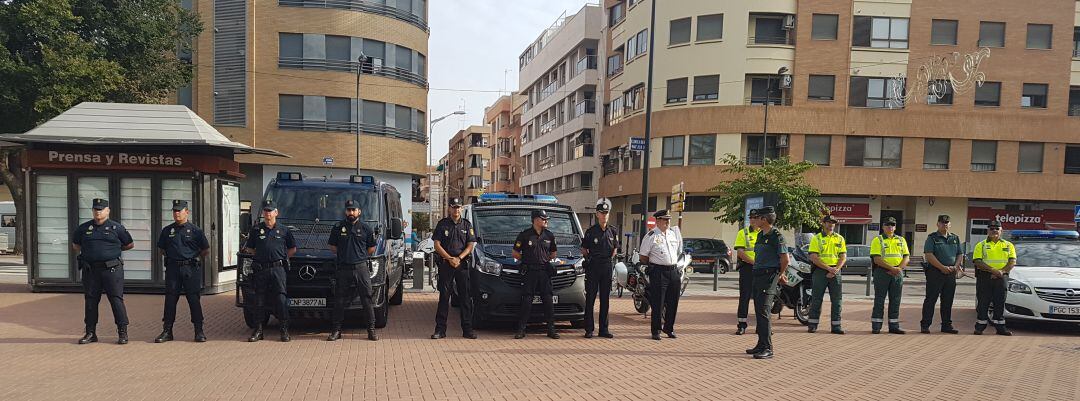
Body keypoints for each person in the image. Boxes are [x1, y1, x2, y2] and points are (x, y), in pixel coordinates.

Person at [74, 198, 135, 345]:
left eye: (101, 209)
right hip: (91, 271)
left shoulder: (116, 228)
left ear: (108, 211)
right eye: (95, 209)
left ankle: (122, 332)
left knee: (116, 300)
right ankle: (90, 333)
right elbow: (76, 245)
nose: (98, 212)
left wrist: (111, 252)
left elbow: (129, 244)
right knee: (91, 302)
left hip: (111, 270)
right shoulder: (84, 228)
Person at [154, 200, 211, 343]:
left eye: (179, 211)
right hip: (173, 269)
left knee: (193, 300)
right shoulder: (167, 231)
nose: (176, 213)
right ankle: (167, 331)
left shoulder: (195, 231)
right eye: (174, 211)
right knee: (170, 300)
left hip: (190, 269)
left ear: (187, 212)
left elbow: (205, 250)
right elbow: (161, 249)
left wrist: (192, 258)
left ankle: (199, 331)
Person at [243, 200, 297, 342]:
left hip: (278, 269)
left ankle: (284, 331)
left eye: (270, 210)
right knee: (259, 300)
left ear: (276, 213)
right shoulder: (256, 230)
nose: (268, 213)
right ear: (263, 213)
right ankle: (258, 331)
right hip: (261, 269)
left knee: (281, 299)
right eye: (266, 210)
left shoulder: (284, 230)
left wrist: (280, 258)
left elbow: (292, 249)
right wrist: (262, 256)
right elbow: (250, 248)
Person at [326, 199, 379, 341]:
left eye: (353, 210)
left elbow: (371, 248)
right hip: (343, 268)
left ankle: (371, 330)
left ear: (359, 212)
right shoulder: (338, 227)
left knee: (366, 299)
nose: (351, 212)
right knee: (339, 300)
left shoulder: (366, 228)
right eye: (349, 210)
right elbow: (332, 246)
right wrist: (345, 254)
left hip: (360, 268)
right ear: (345, 211)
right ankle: (336, 331)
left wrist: (359, 256)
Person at [431, 197, 477, 340]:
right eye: (454, 207)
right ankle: (440, 330)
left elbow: (470, 245)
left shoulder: (467, 225)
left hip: (461, 265)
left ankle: (467, 330)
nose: (456, 210)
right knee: (444, 297)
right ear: (449, 208)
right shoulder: (442, 224)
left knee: (464, 297)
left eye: (458, 207)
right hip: (446, 264)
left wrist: (459, 258)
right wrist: (450, 258)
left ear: (461, 208)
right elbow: (437, 245)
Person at [746, 206, 787, 359]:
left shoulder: (777, 236)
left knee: (764, 311)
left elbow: (785, 259)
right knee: (758, 311)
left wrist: (779, 274)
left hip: (768, 277)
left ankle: (768, 348)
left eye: (757, 218)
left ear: (764, 219)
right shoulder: (761, 235)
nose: (755, 220)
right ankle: (761, 344)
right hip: (758, 276)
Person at [512, 209, 560, 339]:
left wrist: (544, 259)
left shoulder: (549, 236)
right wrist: (527, 259)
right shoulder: (525, 235)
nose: (545, 221)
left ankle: (551, 330)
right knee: (527, 301)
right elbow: (515, 253)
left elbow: (553, 253)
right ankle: (521, 330)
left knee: (548, 301)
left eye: (546, 219)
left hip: (544, 271)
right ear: (535, 220)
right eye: (543, 219)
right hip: (530, 272)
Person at [638, 209, 683, 341]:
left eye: (669, 219)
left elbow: (677, 251)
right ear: (657, 221)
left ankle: (669, 328)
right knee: (658, 302)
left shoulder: (672, 234)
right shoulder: (651, 236)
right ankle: (656, 330)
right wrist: (655, 265)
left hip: (674, 271)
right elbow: (643, 256)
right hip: (659, 272)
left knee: (673, 301)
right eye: (665, 219)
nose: (668, 222)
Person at [581, 198, 620, 339]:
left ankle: (604, 329)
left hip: (607, 266)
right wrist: (590, 259)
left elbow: (615, 248)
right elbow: (584, 249)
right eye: (602, 213)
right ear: (597, 214)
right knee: (590, 299)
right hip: (593, 267)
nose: (604, 215)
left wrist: (609, 258)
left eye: (606, 213)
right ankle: (589, 329)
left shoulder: (613, 231)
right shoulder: (591, 232)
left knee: (605, 299)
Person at [921, 214, 964, 334]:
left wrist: (955, 266)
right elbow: (929, 255)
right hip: (935, 272)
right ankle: (925, 325)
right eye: (942, 222)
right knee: (931, 299)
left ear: (949, 224)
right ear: (937, 224)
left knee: (948, 300)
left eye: (946, 222)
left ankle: (946, 325)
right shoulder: (932, 238)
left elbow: (960, 254)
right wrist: (942, 267)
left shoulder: (955, 238)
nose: (944, 224)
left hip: (950, 273)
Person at [972, 220, 1015, 336]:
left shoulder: (1008, 245)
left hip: (1002, 276)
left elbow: (1012, 261)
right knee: (983, 302)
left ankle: (1000, 327)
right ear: (988, 231)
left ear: (1001, 231)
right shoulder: (981, 245)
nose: (994, 231)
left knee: (999, 302)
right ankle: (980, 326)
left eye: (997, 229)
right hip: (985, 276)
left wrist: (1002, 271)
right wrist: (993, 270)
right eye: (991, 229)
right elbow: (977, 261)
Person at [807, 214, 847, 334]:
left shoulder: (840, 238)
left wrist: (836, 269)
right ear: (823, 224)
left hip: (835, 272)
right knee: (816, 299)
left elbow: (843, 256)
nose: (831, 225)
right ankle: (813, 325)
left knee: (837, 300)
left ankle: (836, 326)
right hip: (820, 271)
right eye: (829, 222)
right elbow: (814, 257)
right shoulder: (817, 238)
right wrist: (829, 269)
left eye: (833, 223)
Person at [869, 217, 909, 334]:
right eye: (887, 225)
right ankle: (876, 326)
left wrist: (898, 269)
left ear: (895, 227)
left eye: (892, 225)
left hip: (897, 273)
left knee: (896, 300)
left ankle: (894, 326)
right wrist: (892, 268)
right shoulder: (878, 240)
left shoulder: (901, 240)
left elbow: (906, 256)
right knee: (879, 300)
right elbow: (876, 259)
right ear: (883, 227)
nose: (890, 227)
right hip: (882, 272)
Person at [733, 209, 761, 335]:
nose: (753, 220)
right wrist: (754, 262)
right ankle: (742, 325)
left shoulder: (765, 233)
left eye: (756, 217)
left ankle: (761, 326)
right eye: (751, 218)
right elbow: (740, 252)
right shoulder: (742, 233)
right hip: (748, 269)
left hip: (762, 270)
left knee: (761, 299)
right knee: (744, 297)